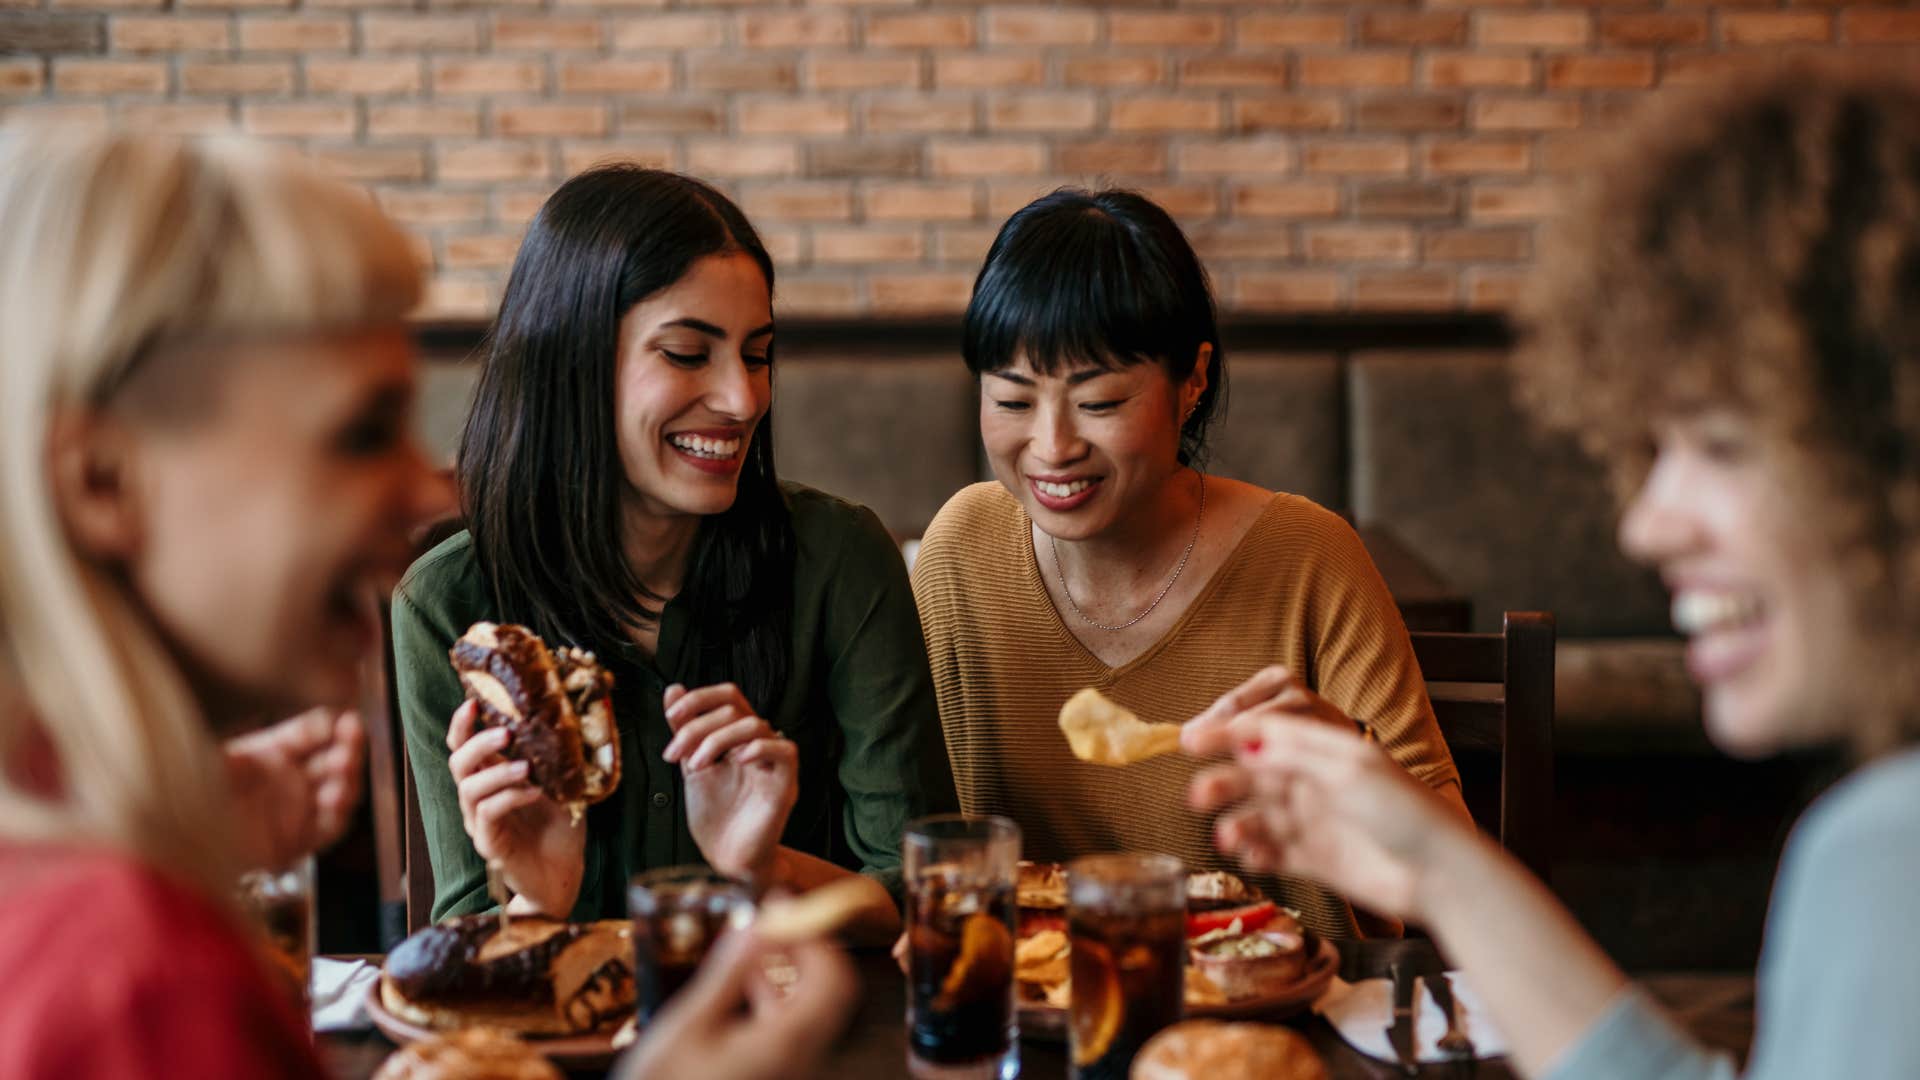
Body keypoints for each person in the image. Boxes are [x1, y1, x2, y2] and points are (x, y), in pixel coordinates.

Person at [1187, 64, 1920, 1079]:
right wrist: (1436, 864)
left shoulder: (1886, 853)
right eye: (1652, 447)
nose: (1645, 526)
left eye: (1721, 443)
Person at [392, 165, 957, 944]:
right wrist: (539, 901)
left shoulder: (840, 560)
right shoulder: (447, 605)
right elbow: (465, 939)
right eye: (689, 353)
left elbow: (925, 893)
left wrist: (765, 868)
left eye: (757, 355)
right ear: (572, 362)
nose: (743, 399)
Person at [911, 188, 1467, 938]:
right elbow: (909, 835)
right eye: (1013, 403)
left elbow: (1457, 868)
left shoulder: (1309, 557)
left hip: (1282, 999)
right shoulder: (960, 551)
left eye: (1100, 402)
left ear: (1193, 380)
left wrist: (1346, 761)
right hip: (1029, 1001)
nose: (1052, 447)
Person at [0, 131, 439, 1077]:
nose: (425, 491)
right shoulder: (140, 982)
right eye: (366, 433)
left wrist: (191, 832)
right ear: (101, 481)